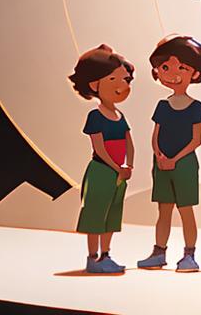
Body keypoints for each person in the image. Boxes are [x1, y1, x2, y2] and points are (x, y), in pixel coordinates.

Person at [136, 36, 201, 272]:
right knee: (163, 210)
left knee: (186, 210)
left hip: (185, 165)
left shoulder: (196, 106)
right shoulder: (162, 105)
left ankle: (189, 255)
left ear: (195, 74)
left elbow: (196, 140)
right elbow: (155, 135)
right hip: (161, 164)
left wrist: (174, 160)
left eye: (182, 67)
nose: (172, 73)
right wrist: (159, 156)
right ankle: (159, 252)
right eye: (166, 67)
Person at [68, 44, 135, 274]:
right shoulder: (95, 116)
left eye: (124, 79)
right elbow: (98, 147)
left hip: (119, 174)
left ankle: (106, 255)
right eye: (113, 78)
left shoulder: (120, 115)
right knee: (96, 214)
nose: (122, 85)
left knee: (112, 216)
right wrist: (117, 167)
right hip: (101, 171)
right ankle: (92, 258)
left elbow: (129, 142)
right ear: (94, 84)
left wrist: (129, 165)